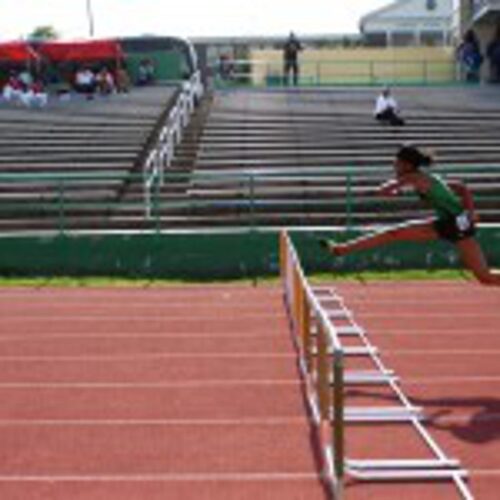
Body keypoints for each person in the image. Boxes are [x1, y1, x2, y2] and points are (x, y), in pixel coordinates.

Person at [320, 144, 500, 286]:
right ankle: (341, 249)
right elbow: (461, 187)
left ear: (407, 164)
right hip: (449, 223)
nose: (393, 165)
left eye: (396, 162)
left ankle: (341, 249)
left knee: (484, 277)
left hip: (456, 225)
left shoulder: (412, 177)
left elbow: (383, 190)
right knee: (393, 234)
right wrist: (470, 212)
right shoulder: (428, 178)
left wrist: (384, 191)